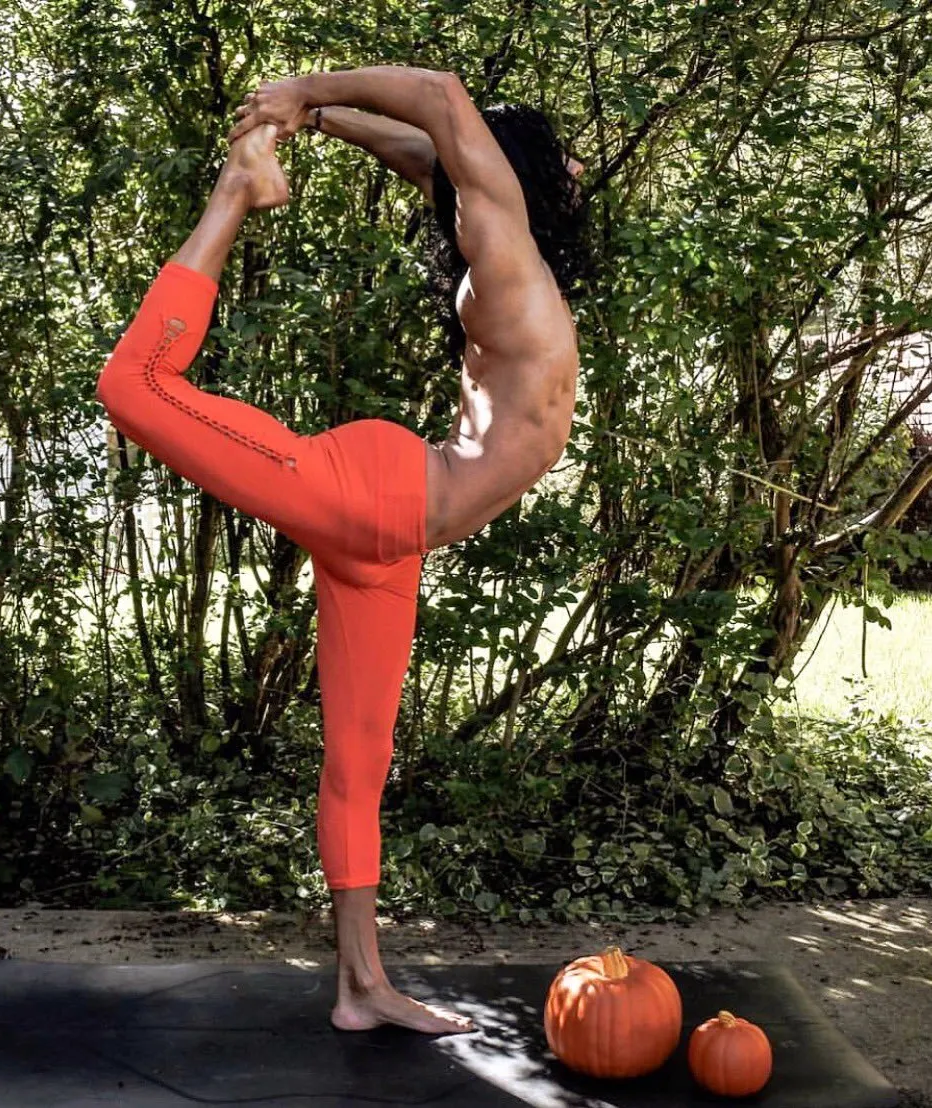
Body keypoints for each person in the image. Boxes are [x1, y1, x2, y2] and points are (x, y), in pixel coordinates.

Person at [96, 65, 587, 1035]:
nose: (577, 167)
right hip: (373, 495)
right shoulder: (507, 249)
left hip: (391, 541)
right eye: (557, 153)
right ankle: (234, 192)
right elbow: (440, 100)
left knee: (357, 765)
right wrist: (296, 91)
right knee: (135, 384)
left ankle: (361, 987)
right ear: (516, 169)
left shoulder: (499, 238)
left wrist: (319, 116)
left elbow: (429, 152)